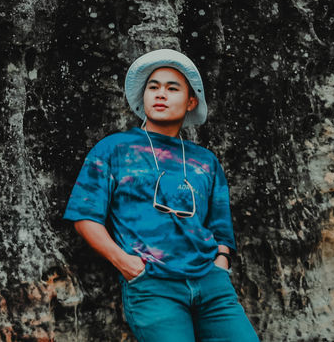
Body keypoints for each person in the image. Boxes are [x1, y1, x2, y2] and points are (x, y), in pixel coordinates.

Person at [64, 48, 260, 342]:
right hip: (153, 285)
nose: (160, 94)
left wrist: (221, 264)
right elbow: (84, 215)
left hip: (211, 284)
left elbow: (221, 225)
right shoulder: (115, 149)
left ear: (191, 101)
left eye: (172, 88)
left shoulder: (204, 160)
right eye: (153, 87)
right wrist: (126, 264)